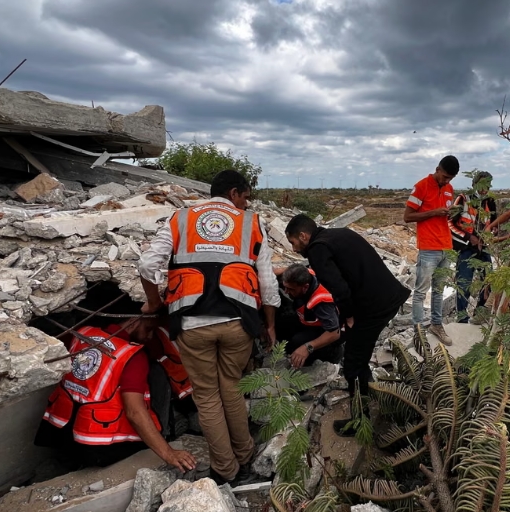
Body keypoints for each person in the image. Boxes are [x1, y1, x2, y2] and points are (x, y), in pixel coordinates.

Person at [138, 169, 281, 485]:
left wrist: (154, 304)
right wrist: (269, 325)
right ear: (234, 193)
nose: (246, 204)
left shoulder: (180, 219)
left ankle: (225, 471)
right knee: (231, 387)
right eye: (245, 197)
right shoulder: (251, 224)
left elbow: (148, 266)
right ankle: (244, 458)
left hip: (191, 323)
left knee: (206, 397)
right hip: (237, 322)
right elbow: (268, 284)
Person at [284, 214, 410, 433]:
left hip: (373, 308)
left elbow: (339, 289)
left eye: (293, 243)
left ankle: (360, 422)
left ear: (303, 236)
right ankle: (371, 392)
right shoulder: (337, 234)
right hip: (387, 296)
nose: (294, 249)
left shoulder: (317, 249)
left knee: (352, 362)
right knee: (360, 356)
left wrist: (349, 317)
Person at [36, 317, 199, 471]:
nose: (150, 336)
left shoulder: (82, 333)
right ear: (134, 321)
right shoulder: (132, 355)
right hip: (97, 446)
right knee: (157, 371)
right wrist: (168, 453)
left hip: (59, 434)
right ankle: (163, 435)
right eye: (148, 329)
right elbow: (134, 412)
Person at [404, 155, 459, 345]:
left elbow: (445, 216)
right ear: (437, 169)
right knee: (420, 292)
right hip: (428, 247)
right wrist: (434, 212)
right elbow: (408, 217)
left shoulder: (449, 189)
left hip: (446, 246)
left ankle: (436, 324)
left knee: (438, 290)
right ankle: (418, 332)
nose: (446, 181)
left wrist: (452, 213)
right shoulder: (421, 186)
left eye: (450, 179)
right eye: (444, 177)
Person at [449, 171, 497, 323]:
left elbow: (495, 224)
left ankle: (479, 315)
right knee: (464, 283)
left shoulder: (490, 201)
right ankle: (462, 319)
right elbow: (450, 224)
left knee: (488, 281)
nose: (486, 188)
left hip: (484, 248)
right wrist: (469, 237)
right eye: (483, 184)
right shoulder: (463, 199)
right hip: (466, 248)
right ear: (475, 183)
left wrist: (489, 235)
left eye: (488, 184)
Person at [275, 264, 343, 368]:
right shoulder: (306, 274)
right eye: (285, 287)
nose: (286, 292)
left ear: (305, 287)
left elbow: (334, 333)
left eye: (291, 289)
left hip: (325, 329)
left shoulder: (322, 302)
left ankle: (331, 355)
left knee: (297, 342)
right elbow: (289, 269)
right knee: (281, 323)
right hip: (307, 319)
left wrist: (307, 347)